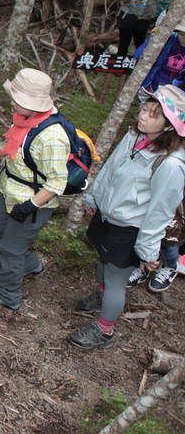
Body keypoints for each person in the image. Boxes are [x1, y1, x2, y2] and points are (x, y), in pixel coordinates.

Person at [70, 85, 185, 349]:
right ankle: (101, 297)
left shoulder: (171, 164)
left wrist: (147, 250)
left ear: (170, 125)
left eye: (153, 114)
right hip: (109, 215)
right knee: (102, 261)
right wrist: (94, 197)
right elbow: (111, 167)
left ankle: (104, 331)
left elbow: (160, 211)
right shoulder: (135, 135)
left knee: (115, 279)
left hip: (130, 228)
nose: (143, 115)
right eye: (144, 108)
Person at [0, 69, 68, 311]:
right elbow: (17, 155)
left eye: (17, 100)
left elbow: (57, 182)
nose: (12, 103)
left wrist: (30, 206)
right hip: (10, 190)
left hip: (34, 202)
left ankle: (8, 293)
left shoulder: (52, 137)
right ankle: (28, 264)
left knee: (11, 248)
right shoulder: (23, 121)